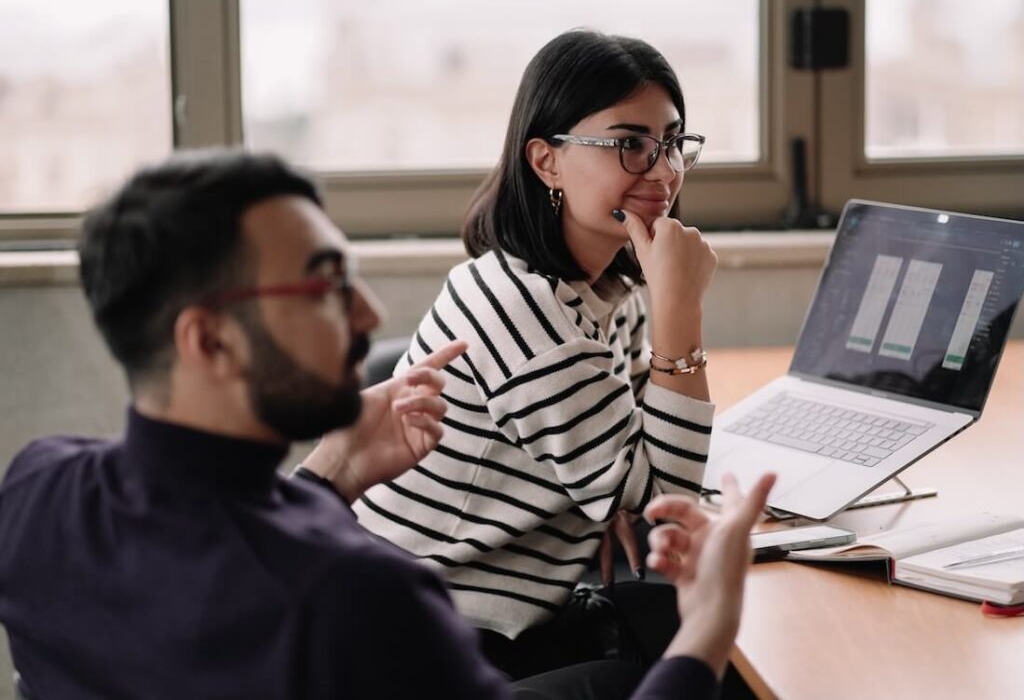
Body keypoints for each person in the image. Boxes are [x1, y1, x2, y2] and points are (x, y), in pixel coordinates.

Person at [0, 149, 773, 700]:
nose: (369, 317)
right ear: (208, 340)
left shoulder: (36, 488)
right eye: (324, 286)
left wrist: (328, 477)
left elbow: (202, 587)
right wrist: (706, 628)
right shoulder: (358, 596)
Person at [354, 28, 718, 678]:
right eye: (629, 145)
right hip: (425, 649)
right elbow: (668, 500)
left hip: (479, 622)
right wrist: (682, 314)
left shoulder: (609, 285)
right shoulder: (534, 318)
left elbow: (639, 458)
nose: (664, 171)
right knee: (711, 675)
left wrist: (616, 494)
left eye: (671, 142)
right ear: (546, 161)